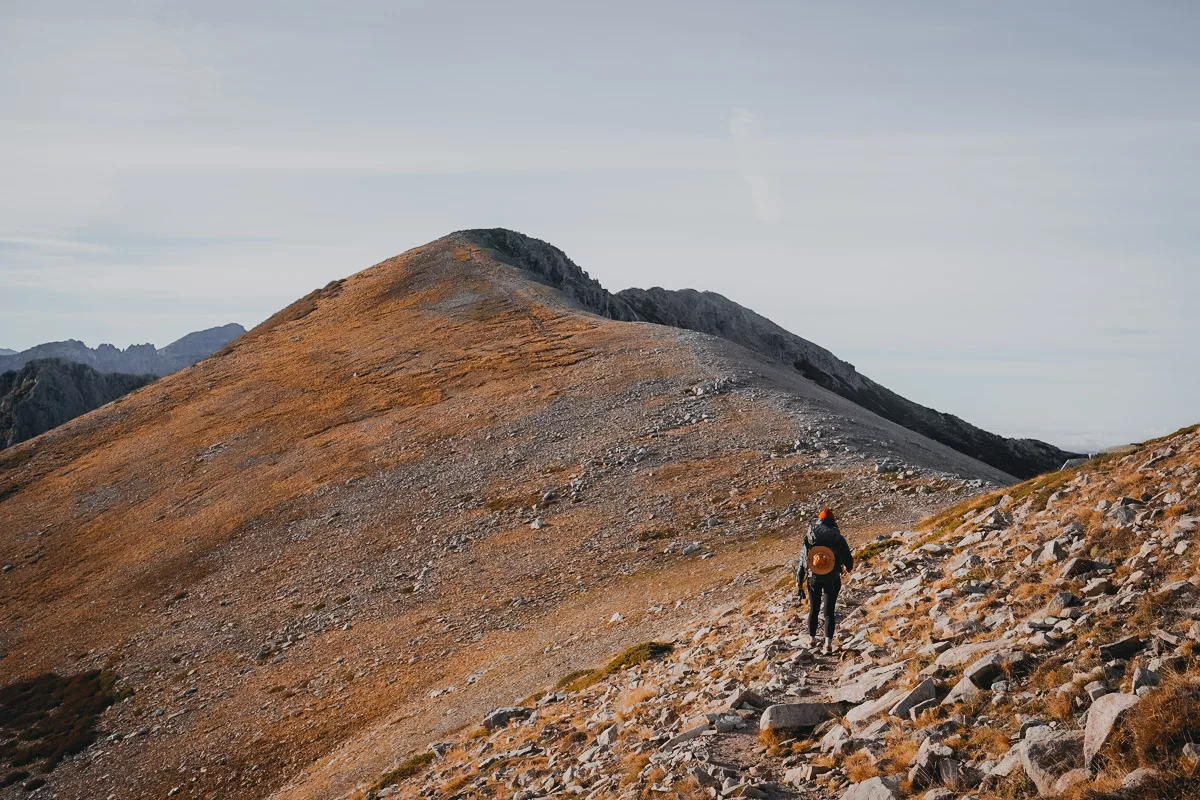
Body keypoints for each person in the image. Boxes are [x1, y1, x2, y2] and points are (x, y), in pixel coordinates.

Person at [795, 508, 854, 654]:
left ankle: (812, 639)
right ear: (833, 520)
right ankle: (827, 644)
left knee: (814, 609)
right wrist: (846, 567)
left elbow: (803, 559)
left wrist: (799, 580)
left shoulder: (810, 536)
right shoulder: (838, 537)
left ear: (819, 520)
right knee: (829, 612)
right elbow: (849, 563)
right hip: (832, 578)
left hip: (813, 577)